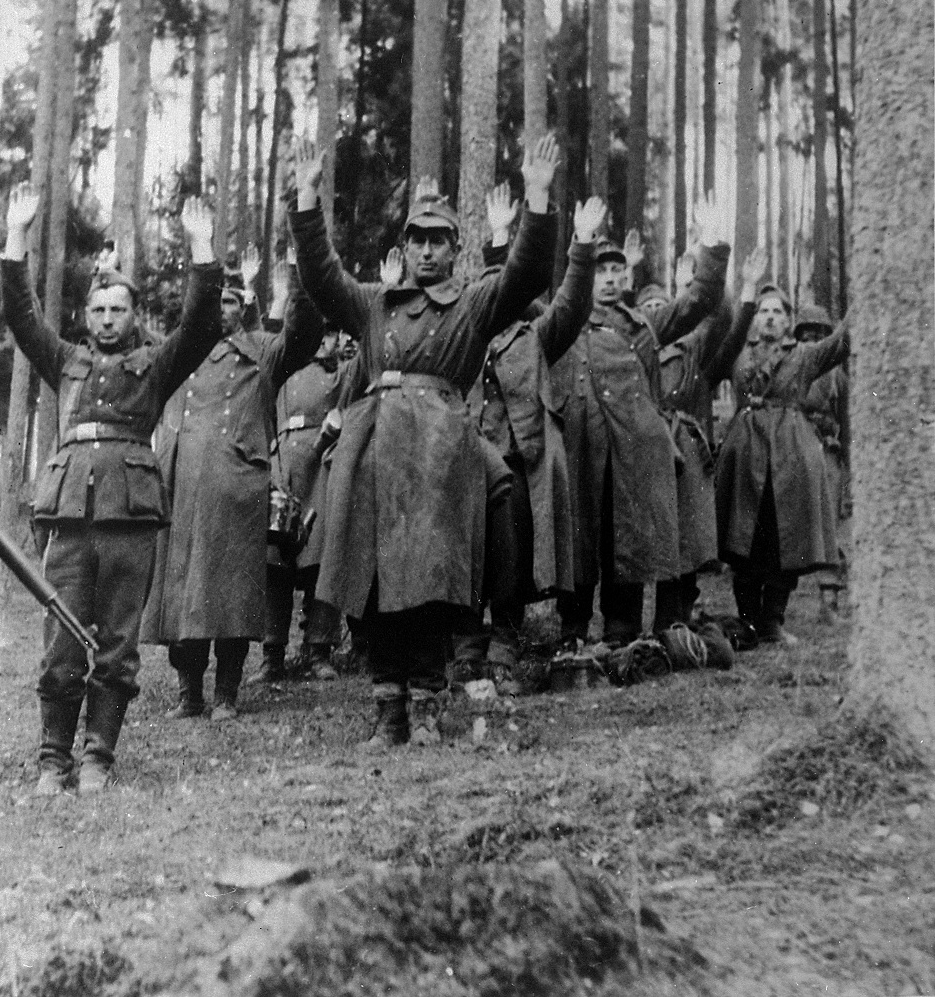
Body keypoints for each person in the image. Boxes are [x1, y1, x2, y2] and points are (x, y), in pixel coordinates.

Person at [289, 133, 559, 749]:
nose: (429, 251)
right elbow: (321, 276)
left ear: (456, 249)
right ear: (404, 246)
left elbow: (524, 276)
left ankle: (430, 705)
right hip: (378, 453)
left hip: (440, 457)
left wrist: (537, 201)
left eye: (440, 241)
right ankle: (390, 713)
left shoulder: (471, 303)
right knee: (379, 583)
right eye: (419, 240)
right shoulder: (375, 303)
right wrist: (307, 199)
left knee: (434, 583)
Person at [1, 188, 221, 793]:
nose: (105, 320)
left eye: (117, 311)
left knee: (118, 644)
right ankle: (52, 758)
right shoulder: (65, 361)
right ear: (85, 317)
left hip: (130, 520)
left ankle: (98, 756)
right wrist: (16, 239)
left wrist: (202, 249)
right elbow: (21, 315)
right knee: (63, 641)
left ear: (133, 316)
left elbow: (201, 323)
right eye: (97, 311)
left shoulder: (155, 364)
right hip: (70, 517)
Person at [143, 240, 322, 720]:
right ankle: (189, 693)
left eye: (230, 300)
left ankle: (226, 693)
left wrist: (297, 276)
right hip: (181, 489)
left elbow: (302, 337)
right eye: (214, 299)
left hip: (236, 491)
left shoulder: (261, 352)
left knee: (233, 595)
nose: (221, 309)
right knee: (182, 595)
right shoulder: (177, 354)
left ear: (243, 308)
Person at [550, 211, 729, 651]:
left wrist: (710, 245)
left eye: (617, 270)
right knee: (579, 540)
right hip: (580, 442)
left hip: (629, 449)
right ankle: (571, 631)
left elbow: (699, 303)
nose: (609, 279)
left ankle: (621, 632)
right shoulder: (566, 320)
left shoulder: (645, 326)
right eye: (601, 271)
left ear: (627, 277)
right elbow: (515, 291)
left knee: (623, 538)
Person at [452, 185, 605, 692]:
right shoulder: (465, 335)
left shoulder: (536, 336)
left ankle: (506, 642)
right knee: (471, 549)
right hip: (470, 457)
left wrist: (582, 246)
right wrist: (498, 237)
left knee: (513, 552)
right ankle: (468, 643)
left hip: (522, 459)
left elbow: (571, 304)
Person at [643, 206, 767, 630]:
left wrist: (717, 266)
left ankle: (674, 620)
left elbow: (722, 322)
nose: (664, 311)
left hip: (687, 449)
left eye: (667, 304)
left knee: (687, 540)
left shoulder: (695, 349)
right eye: (654, 307)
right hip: (646, 447)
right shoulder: (635, 352)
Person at [714, 289, 850, 646]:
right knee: (744, 538)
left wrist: (865, 296)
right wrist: (744, 293)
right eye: (763, 311)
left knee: (783, 539)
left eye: (777, 311)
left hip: (790, 455)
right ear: (755, 318)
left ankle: (772, 621)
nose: (770, 317)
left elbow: (841, 342)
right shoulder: (739, 353)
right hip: (746, 453)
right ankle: (747, 621)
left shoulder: (804, 356)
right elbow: (723, 330)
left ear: (788, 320)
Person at [254, 326, 356, 683]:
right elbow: (266, 348)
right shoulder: (281, 369)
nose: (326, 341)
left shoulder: (339, 376)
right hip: (281, 465)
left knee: (319, 562)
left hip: (321, 469)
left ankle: (318, 651)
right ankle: (272, 656)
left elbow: (364, 364)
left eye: (332, 335)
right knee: (274, 564)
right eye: (321, 334)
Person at [793, 304, 850, 619]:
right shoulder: (790, 367)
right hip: (796, 449)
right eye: (805, 334)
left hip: (827, 452)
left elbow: (846, 419)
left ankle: (829, 599)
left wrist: (848, 463)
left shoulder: (835, 377)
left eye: (818, 334)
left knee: (828, 525)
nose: (811, 340)